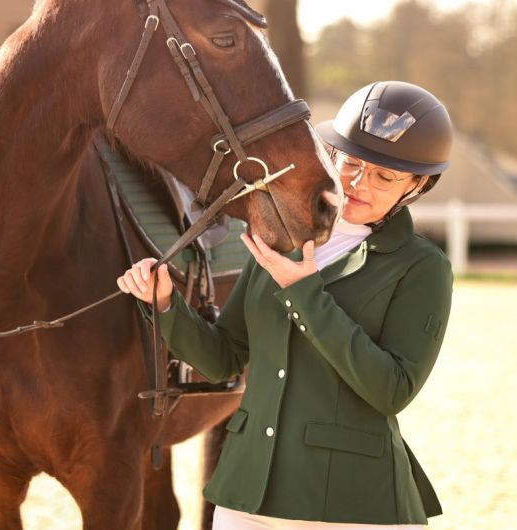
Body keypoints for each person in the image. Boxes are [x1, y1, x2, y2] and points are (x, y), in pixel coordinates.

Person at [117, 80, 454, 529]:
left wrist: (305, 293)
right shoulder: (282, 241)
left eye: (384, 176)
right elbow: (223, 359)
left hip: (351, 502)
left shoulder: (422, 267)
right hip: (246, 493)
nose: (357, 183)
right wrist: (165, 304)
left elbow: (391, 389)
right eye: (352, 162)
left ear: (419, 184)